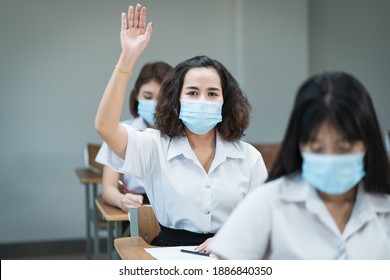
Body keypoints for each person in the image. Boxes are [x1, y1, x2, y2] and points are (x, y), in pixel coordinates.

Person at [94, 4, 268, 250]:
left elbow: (262, 219)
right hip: (170, 253)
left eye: (212, 93)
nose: (202, 100)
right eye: (192, 92)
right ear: (177, 100)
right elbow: (105, 126)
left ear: (225, 102)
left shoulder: (249, 157)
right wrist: (128, 57)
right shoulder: (153, 146)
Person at [209, 72, 390, 259]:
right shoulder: (268, 202)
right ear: (300, 144)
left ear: (367, 143)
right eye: (317, 148)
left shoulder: (384, 207)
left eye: (344, 148)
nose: (330, 160)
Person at [95, 61, 172, 212]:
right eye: (148, 96)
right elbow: (108, 188)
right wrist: (122, 200)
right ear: (136, 95)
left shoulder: (184, 133)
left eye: (162, 98)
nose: (155, 104)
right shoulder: (120, 132)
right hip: (137, 206)